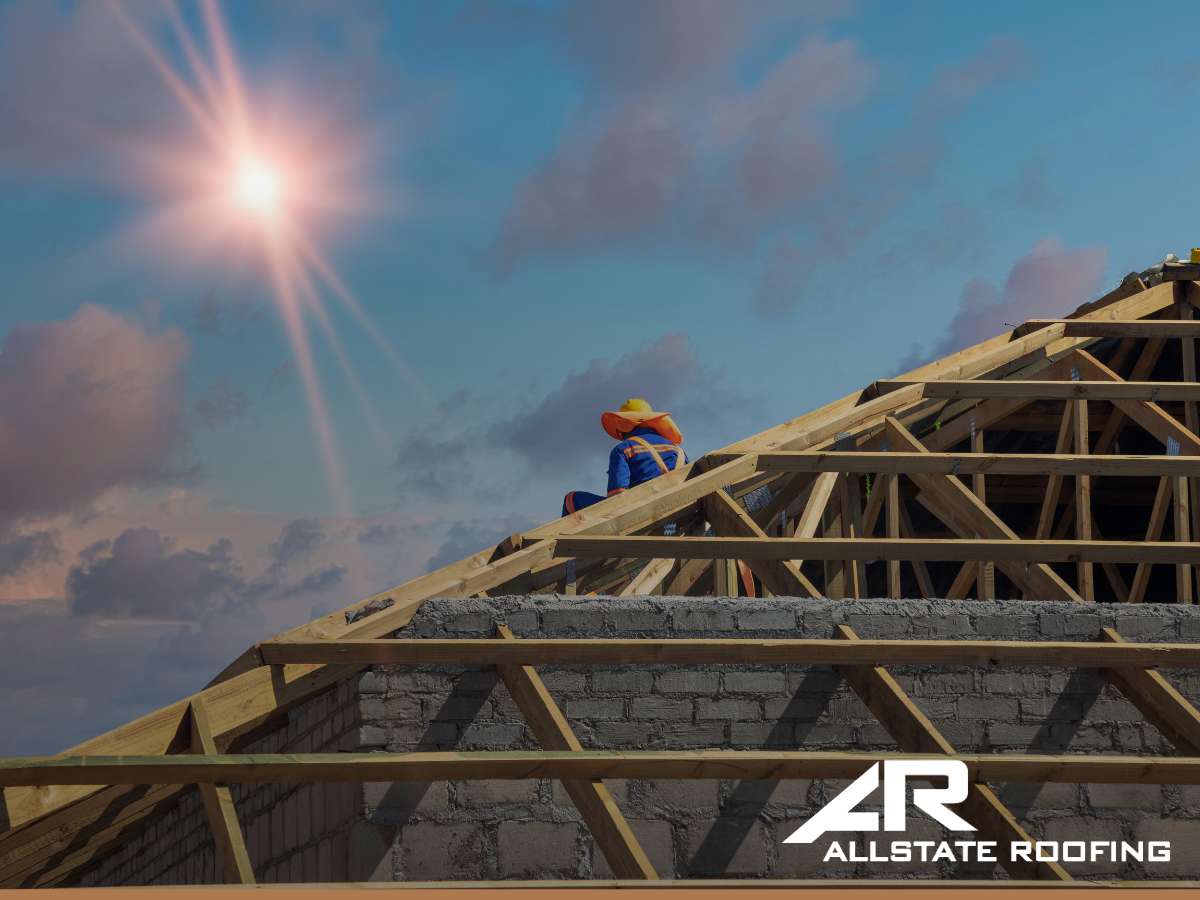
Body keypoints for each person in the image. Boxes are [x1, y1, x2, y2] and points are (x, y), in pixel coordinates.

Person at [562, 398, 687, 516]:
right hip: (677, 515)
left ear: (625, 424)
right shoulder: (679, 451)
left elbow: (617, 498)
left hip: (638, 516)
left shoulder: (624, 449)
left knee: (572, 499)